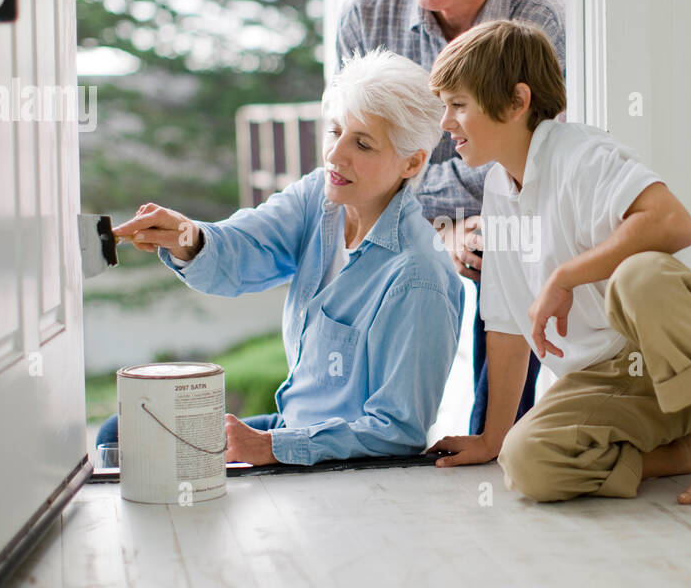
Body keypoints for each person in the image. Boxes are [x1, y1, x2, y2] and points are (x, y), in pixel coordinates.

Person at [427, 20, 691, 505]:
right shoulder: (498, 188)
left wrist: (567, 275)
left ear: (516, 102)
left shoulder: (583, 155)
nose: (446, 123)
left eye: (458, 106)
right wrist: (492, 439)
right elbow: (508, 324)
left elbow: (674, 223)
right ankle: (686, 455)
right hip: (620, 377)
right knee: (528, 463)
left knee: (639, 275)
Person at [97, 50, 464, 466]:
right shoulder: (319, 198)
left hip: (333, 459)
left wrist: (272, 447)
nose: (335, 155)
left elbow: (398, 431)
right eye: (335, 131)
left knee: (136, 445)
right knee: (119, 432)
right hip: (289, 424)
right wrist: (187, 236)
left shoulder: (418, 276)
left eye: (362, 143)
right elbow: (246, 248)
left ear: (412, 162)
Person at [335, 0, 564, 437]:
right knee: (350, 239)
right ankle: (358, 431)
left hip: (503, 209)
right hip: (398, 209)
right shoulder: (368, 14)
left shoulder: (542, 23)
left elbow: (532, 159)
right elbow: (359, 150)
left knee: (507, 242)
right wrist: (438, 227)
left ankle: (499, 435)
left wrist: (473, 224)